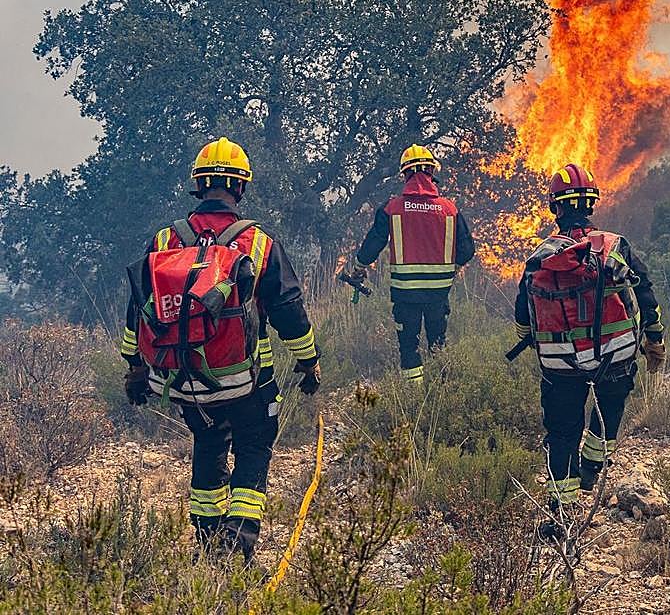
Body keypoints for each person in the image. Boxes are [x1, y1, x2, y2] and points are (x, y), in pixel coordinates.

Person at [122, 137, 322, 562]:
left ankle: (207, 544)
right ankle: (236, 546)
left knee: (208, 443)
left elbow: (137, 311)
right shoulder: (258, 243)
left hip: (185, 379)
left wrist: (135, 368)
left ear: (199, 185)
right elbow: (289, 312)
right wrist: (309, 362)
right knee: (254, 447)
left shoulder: (164, 240)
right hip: (247, 381)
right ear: (240, 187)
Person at [510, 163, 666, 517]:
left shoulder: (540, 256)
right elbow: (645, 292)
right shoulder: (615, 246)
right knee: (609, 411)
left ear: (555, 207)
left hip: (560, 363)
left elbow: (522, 311)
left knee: (562, 433)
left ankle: (561, 513)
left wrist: (528, 337)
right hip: (616, 355)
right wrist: (654, 338)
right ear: (592, 204)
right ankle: (592, 468)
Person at [347, 144, 476, 383]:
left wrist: (359, 266)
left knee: (409, 346)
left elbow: (374, 242)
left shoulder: (392, 207)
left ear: (405, 174)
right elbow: (467, 250)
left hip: (405, 293)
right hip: (438, 293)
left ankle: (413, 396)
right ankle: (441, 392)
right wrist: (454, 267)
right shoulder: (449, 209)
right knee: (438, 344)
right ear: (431, 172)